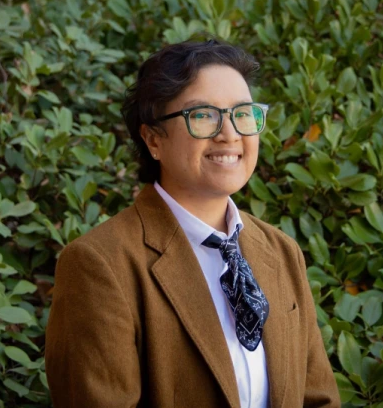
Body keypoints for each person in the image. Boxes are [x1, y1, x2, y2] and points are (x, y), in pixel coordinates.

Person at [44, 39, 340, 408]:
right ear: (153, 138)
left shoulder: (282, 252)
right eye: (202, 115)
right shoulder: (100, 264)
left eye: (243, 113)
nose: (229, 133)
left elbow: (319, 399)